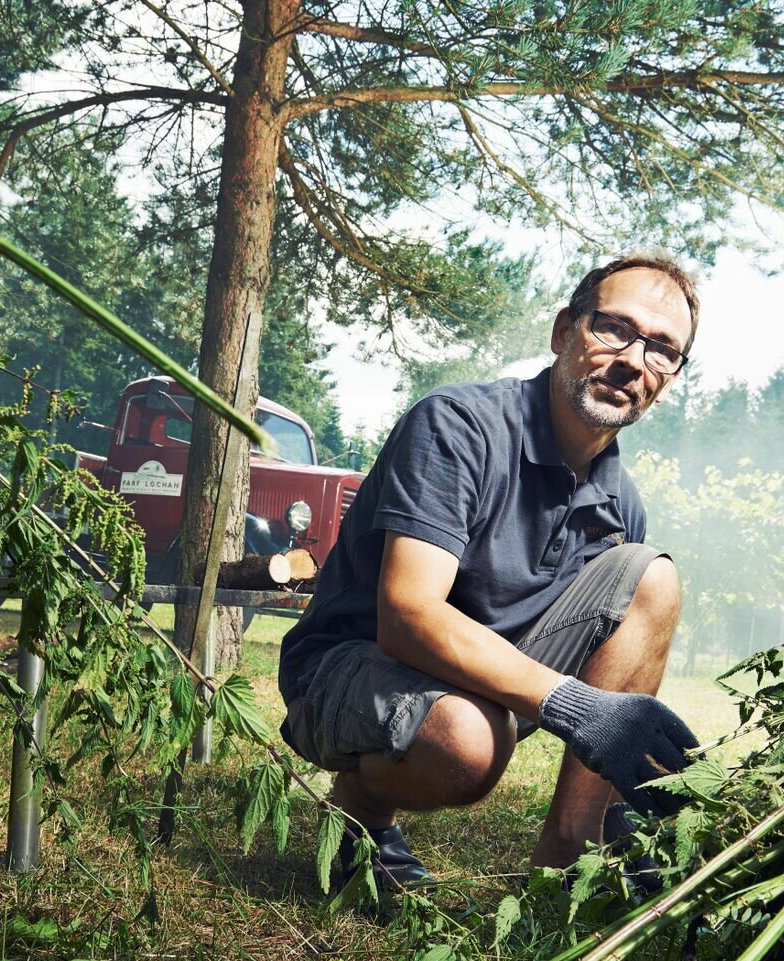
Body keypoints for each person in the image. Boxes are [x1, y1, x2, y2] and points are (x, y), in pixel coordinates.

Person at [277, 254, 703, 891]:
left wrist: (627, 805)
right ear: (564, 332)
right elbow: (408, 617)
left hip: (485, 682)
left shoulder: (622, 506)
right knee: (467, 744)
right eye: (615, 328)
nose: (634, 361)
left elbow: (606, 645)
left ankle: (565, 858)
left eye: (663, 349)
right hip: (348, 669)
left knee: (653, 578)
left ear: (668, 381)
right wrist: (578, 706)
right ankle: (361, 811)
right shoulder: (457, 426)